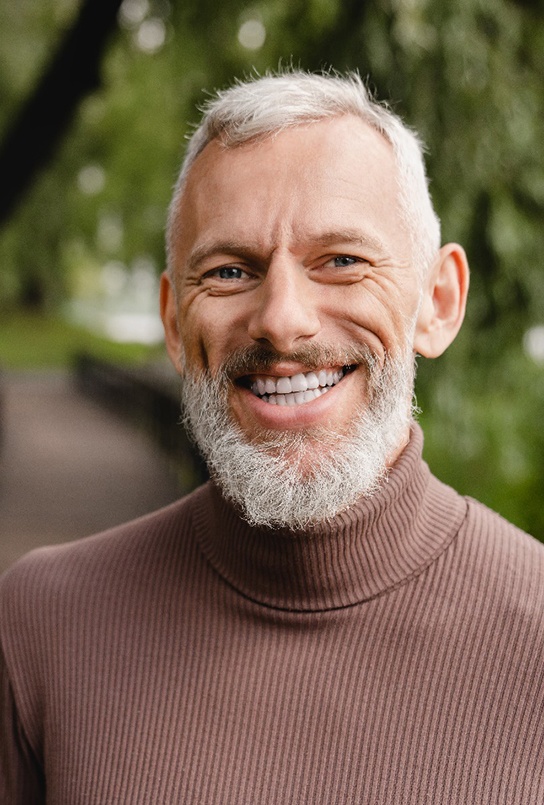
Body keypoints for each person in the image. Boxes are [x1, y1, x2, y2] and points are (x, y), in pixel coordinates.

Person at [1, 70, 543, 804]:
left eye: (343, 261)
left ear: (438, 302)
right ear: (173, 321)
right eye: (230, 271)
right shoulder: (39, 627)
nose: (283, 320)